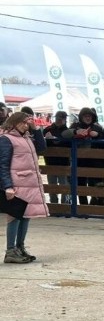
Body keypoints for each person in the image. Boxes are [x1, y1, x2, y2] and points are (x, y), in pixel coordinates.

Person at [1, 111, 48, 263]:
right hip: (17, 184)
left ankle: (19, 247)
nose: (26, 125)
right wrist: (7, 186)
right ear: (14, 123)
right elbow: (3, 165)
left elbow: (41, 147)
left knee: (26, 216)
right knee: (14, 217)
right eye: (24, 122)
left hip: (28, 183)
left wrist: (36, 129)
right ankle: (10, 250)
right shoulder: (6, 139)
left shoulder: (26, 137)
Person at [62, 107, 104, 206]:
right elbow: (64, 134)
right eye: (85, 116)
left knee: (97, 185)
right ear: (81, 117)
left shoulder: (97, 127)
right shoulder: (76, 126)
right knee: (81, 184)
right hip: (80, 161)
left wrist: (97, 135)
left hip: (94, 162)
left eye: (89, 116)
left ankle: (95, 206)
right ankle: (82, 206)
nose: (87, 118)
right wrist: (75, 132)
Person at [43, 110, 70, 205]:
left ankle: (65, 205)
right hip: (50, 161)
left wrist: (53, 140)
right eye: (58, 118)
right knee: (52, 185)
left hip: (63, 162)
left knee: (64, 185)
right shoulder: (47, 130)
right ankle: (54, 205)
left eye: (62, 119)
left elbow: (68, 145)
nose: (60, 120)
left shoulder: (68, 131)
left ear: (65, 120)